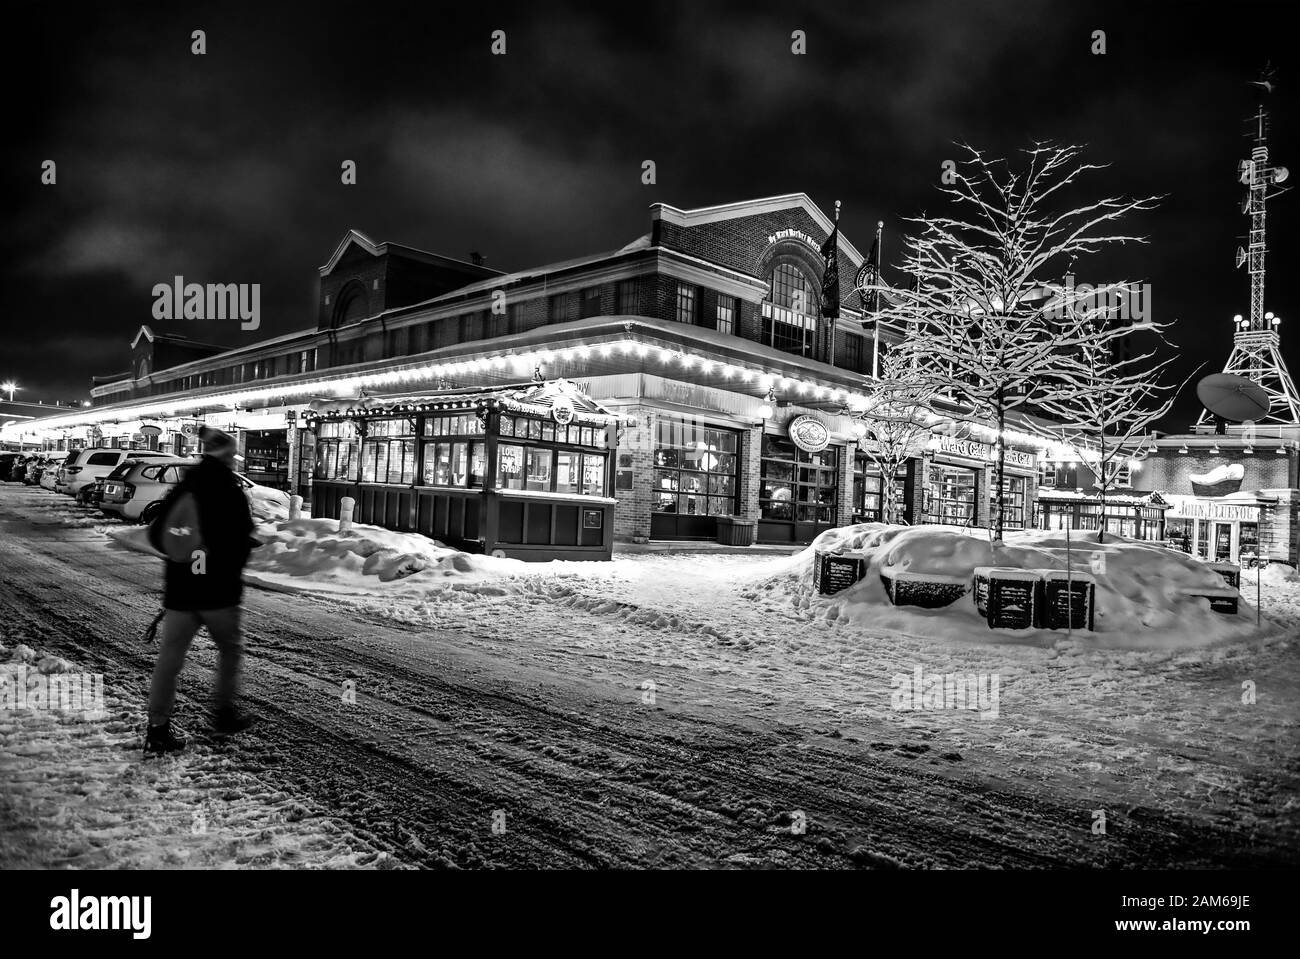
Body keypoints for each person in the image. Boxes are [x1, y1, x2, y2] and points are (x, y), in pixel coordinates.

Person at [144, 426, 258, 755]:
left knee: (169, 659)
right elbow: (240, 540)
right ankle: (222, 714)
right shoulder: (229, 489)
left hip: (181, 590)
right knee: (230, 649)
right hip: (218, 592)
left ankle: (157, 730)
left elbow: (157, 535)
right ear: (226, 456)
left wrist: (187, 559)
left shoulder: (185, 486)